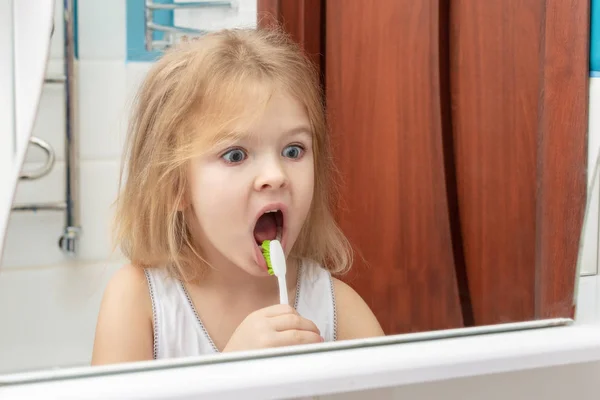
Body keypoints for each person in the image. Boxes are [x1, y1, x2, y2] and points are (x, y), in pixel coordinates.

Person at [91, 27, 383, 365]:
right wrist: (228, 378)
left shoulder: (337, 310)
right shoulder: (139, 302)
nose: (275, 175)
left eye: (293, 149)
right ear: (175, 186)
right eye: (235, 155)